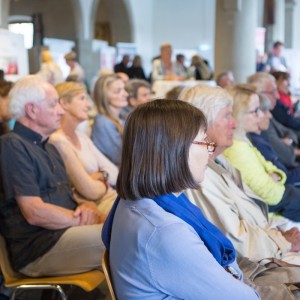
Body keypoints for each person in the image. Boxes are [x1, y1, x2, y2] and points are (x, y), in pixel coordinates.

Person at [102, 99, 259, 299]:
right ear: (173, 149)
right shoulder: (165, 232)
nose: (209, 152)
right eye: (204, 142)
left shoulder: (138, 202)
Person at [180, 85, 300, 265]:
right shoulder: (199, 176)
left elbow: (251, 215)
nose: (234, 123)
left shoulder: (219, 160)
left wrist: (279, 235)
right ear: (203, 123)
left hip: (269, 246)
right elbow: (238, 241)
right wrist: (282, 241)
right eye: (227, 116)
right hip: (257, 263)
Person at [0, 75, 104, 277]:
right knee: (122, 237)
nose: (61, 110)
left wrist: (87, 207)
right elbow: (34, 212)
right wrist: (82, 220)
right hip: (39, 247)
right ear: (31, 110)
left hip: (62, 235)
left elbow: (68, 198)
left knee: (123, 230)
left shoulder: (49, 147)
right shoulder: (12, 145)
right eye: (53, 104)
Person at [223, 84, 300, 222]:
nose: (261, 115)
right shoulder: (236, 148)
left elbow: (271, 167)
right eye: (255, 111)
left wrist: (275, 176)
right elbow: (270, 195)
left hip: (282, 198)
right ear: (238, 114)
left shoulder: (242, 139)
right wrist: (273, 178)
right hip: (271, 211)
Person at [50, 82, 118, 216]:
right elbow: (89, 191)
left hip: (113, 197)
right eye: (82, 98)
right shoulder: (58, 141)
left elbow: (115, 173)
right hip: (97, 206)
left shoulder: (82, 137)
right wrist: (103, 181)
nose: (88, 105)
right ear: (64, 103)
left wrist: (100, 175)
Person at [248, 72, 300, 168]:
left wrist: (288, 140)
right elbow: (286, 156)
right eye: (272, 92)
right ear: (258, 94)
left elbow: (289, 131)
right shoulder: (258, 121)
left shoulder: (268, 114)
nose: (277, 96)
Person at [248, 94, 300, 185]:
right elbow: (286, 177)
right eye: (257, 111)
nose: (270, 116)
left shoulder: (258, 138)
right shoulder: (258, 142)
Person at [91, 74, 128, 166]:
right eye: (118, 91)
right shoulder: (103, 122)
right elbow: (120, 157)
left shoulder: (122, 116)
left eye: (124, 89)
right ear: (104, 96)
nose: (126, 94)